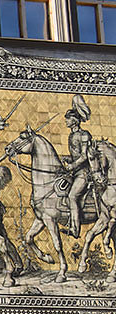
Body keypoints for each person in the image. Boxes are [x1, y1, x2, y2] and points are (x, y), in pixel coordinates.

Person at [62, 95, 92, 238]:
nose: (66, 121)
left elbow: (84, 156)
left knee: (72, 196)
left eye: (68, 119)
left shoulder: (84, 135)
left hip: (84, 173)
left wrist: (72, 165)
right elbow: (75, 155)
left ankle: (75, 228)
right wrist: (64, 158)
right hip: (75, 172)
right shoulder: (70, 136)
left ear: (74, 120)